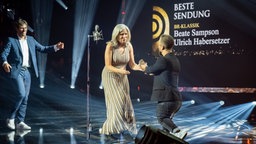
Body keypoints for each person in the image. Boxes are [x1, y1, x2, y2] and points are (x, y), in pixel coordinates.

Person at [0, 18, 64, 130]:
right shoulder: (11, 40)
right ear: (17, 28)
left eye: (25, 28)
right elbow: (4, 54)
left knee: (25, 98)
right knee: (21, 94)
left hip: (27, 72)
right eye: (21, 28)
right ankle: (10, 118)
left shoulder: (31, 40)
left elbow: (43, 49)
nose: (24, 30)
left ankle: (20, 122)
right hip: (16, 71)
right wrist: (5, 63)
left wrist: (56, 47)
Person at [140, 34, 187, 139]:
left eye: (159, 45)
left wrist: (144, 67)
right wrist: (148, 70)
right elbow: (159, 72)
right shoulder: (175, 60)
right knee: (165, 128)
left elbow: (151, 70)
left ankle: (177, 131)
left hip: (167, 98)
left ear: (162, 47)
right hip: (175, 99)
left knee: (161, 118)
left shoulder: (163, 60)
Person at [99, 24, 142, 137]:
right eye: (121, 34)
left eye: (126, 34)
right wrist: (121, 72)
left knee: (126, 102)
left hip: (123, 76)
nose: (124, 36)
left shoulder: (129, 46)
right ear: (116, 35)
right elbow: (108, 66)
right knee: (116, 103)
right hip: (110, 76)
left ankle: (126, 127)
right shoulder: (110, 46)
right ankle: (111, 129)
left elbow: (132, 65)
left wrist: (141, 68)